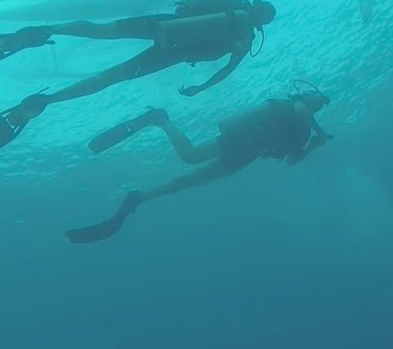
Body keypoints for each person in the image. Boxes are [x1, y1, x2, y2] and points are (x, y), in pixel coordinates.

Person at [0, 0, 277, 163]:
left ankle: (43, 31)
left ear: (254, 3)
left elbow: (190, 0)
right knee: (109, 79)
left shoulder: (229, 4)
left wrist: (188, 7)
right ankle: (46, 101)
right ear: (261, 23)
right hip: (172, 55)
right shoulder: (244, 39)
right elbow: (226, 70)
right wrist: (199, 88)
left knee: (102, 31)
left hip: (162, 27)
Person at [65, 82, 333, 244]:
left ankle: (140, 198)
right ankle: (160, 119)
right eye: (315, 100)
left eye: (319, 105)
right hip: (240, 140)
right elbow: (298, 111)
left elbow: (291, 161)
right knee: (189, 156)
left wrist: (313, 145)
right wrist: (317, 130)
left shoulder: (305, 132)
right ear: (306, 97)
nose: (316, 106)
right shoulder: (291, 106)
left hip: (246, 155)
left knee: (190, 181)